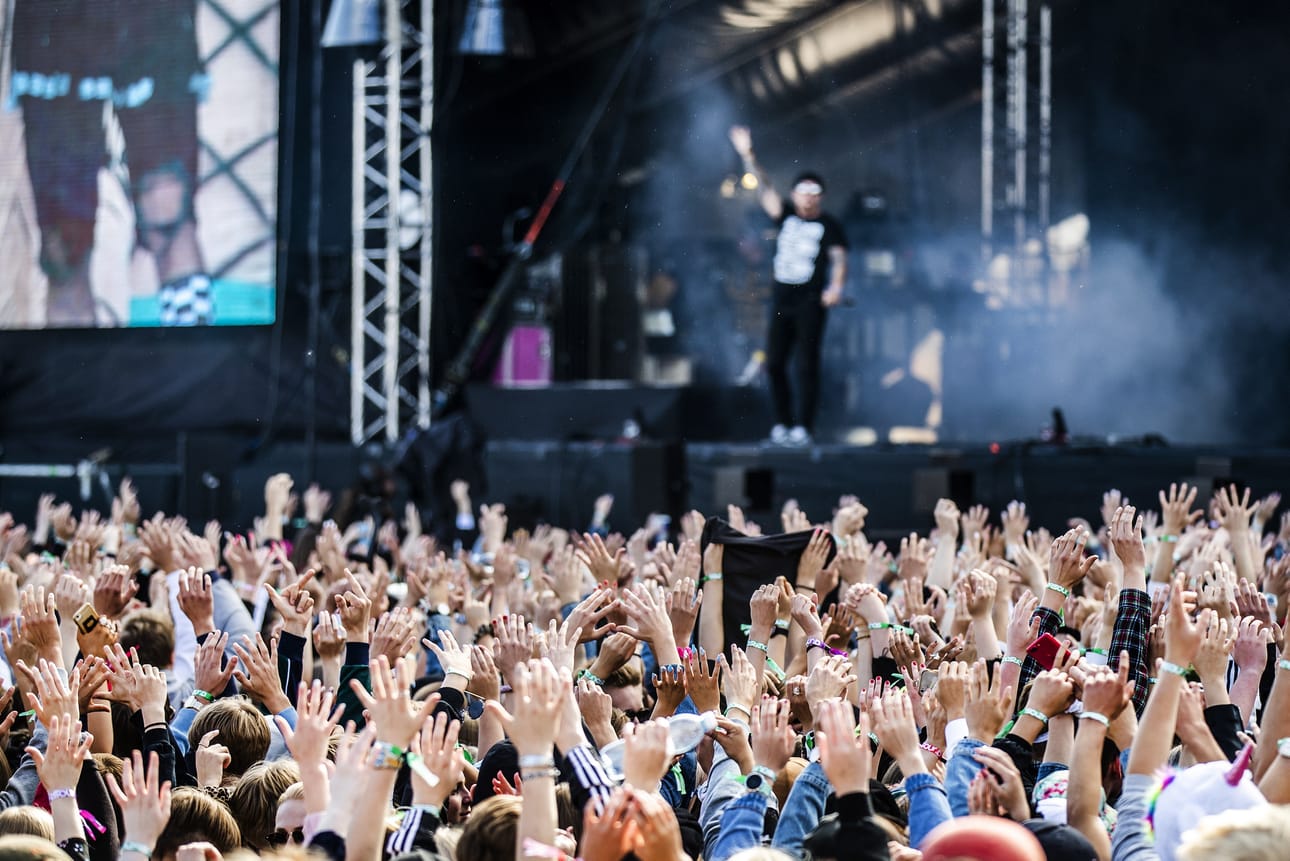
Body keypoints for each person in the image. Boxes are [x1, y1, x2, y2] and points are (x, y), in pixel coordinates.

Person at [8, 0, 211, 326]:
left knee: (169, 210)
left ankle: (199, 365)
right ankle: (74, 374)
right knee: (64, 251)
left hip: (151, 18)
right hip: (56, 22)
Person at [729, 125, 848, 446]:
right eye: (802, 193)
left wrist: (835, 288)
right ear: (795, 195)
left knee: (807, 363)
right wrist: (747, 155)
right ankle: (782, 423)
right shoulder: (783, 215)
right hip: (782, 299)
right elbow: (764, 188)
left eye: (813, 194)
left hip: (811, 300)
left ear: (820, 197)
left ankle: (804, 428)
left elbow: (839, 259)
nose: (807, 200)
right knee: (775, 362)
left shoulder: (829, 225)